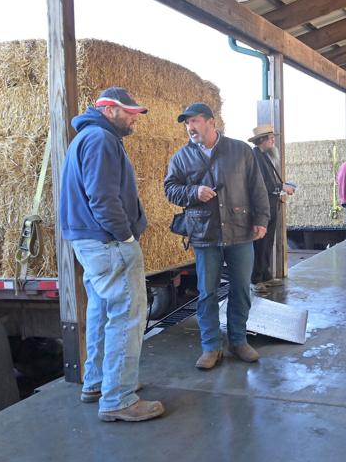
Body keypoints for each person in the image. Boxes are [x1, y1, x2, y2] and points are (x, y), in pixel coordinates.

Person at [59, 87, 164, 422]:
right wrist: (126, 235)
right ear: (109, 110)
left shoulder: (87, 138)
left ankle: (98, 382)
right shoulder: (101, 140)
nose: (135, 118)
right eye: (129, 112)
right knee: (127, 315)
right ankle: (118, 398)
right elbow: (103, 198)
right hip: (108, 242)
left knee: (103, 311)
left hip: (90, 242)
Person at [164, 103, 270, 369]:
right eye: (187, 123)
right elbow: (170, 189)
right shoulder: (181, 157)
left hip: (240, 229)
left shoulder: (241, 150)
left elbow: (257, 187)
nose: (190, 128)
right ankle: (211, 346)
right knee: (207, 292)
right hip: (204, 232)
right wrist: (193, 193)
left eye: (195, 121)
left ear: (211, 122)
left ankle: (238, 340)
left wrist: (261, 219)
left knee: (241, 289)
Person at [248, 124, 295, 292]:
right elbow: (261, 184)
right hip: (262, 207)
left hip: (271, 204)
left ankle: (265, 275)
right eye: (270, 138)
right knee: (260, 243)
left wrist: (281, 186)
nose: (273, 140)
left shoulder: (265, 156)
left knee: (268, 242)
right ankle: (255, 279)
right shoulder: (255, 157)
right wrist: (282, 186)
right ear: (262, 140)